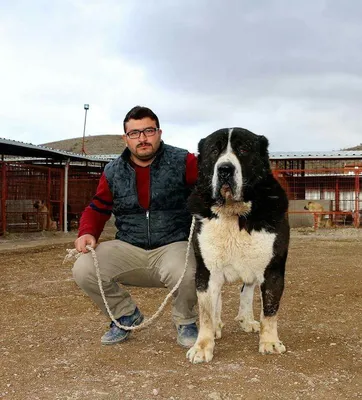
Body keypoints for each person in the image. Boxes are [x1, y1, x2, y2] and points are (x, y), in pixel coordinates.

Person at [72, 106, 198, 348]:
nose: (142, 139)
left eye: (148, 131)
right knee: (83, 267)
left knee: (188, 271)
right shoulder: (112, 171)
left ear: (159, 132)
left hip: (173, 244)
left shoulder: (185, 161)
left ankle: (185, 321)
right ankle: (125, 315)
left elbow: (209, 191)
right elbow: (98, 206)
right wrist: (87, 231)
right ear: (125, 138)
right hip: (128, 245)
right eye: (134, 133)